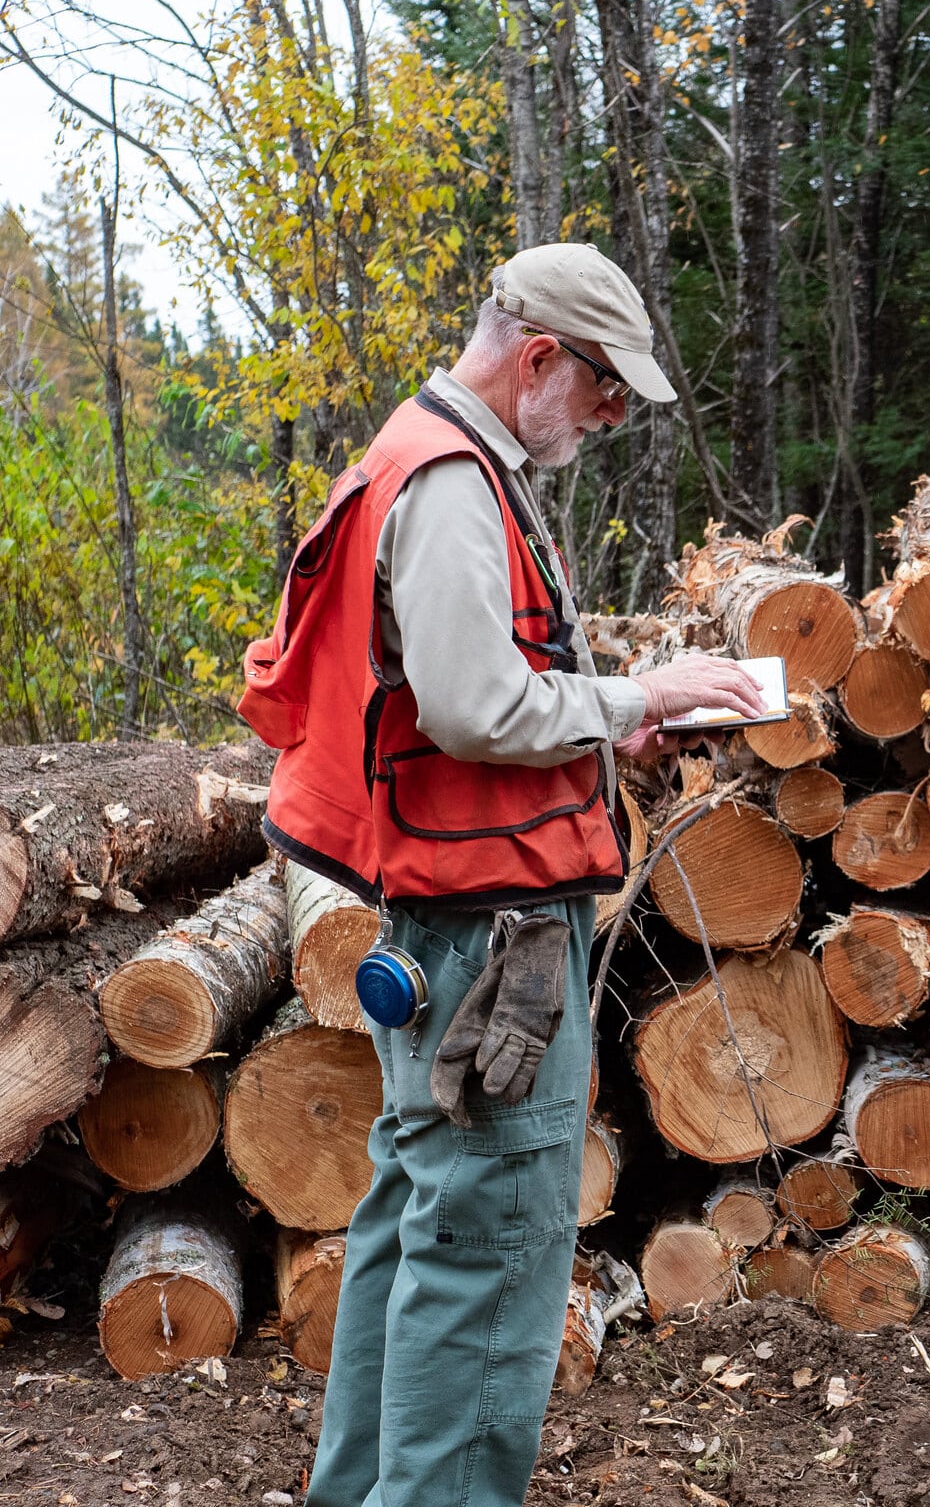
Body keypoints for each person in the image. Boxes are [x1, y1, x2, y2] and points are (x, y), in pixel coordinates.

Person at [238, 243, 760, 1507]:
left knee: (415, 1220)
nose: (608, 417)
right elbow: (474, 708)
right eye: (601, 391)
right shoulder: (457, 484)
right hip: (492, 939)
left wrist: (607, 726)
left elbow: (467, 702)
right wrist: (644, 691)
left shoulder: (426, 454)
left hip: (454, 925)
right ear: (537, 358)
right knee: (489, 1250)